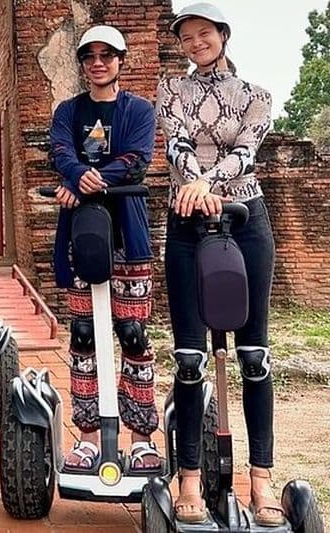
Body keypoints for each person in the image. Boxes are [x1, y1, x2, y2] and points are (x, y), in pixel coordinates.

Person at [157, 3, 281, 525]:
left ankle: (261, 479)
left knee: (254, 354)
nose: (194, 43)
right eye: (186, 37)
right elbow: (177, 143)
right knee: (189, 358)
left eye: (203, 34)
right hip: (187, 220)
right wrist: (194, 184)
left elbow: (248, 149)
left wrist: (211, 184)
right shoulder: (171, 89)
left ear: (222, 36)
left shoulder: (257, 95)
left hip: (245, 218)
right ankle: (187, 476)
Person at [49, 26, 161, 472]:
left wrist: (93, 180)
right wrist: (77, 174)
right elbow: (59, 151)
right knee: (83, 335)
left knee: (132, 334)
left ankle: (140, 437)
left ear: (120, 61)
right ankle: (90, 435)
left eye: (107, 55)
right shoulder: (68, 110)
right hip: (81, 232)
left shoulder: (138, 110)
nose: (98, 62)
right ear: (82, 64)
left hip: (126, 232)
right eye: (90, 56)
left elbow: (138, 157)